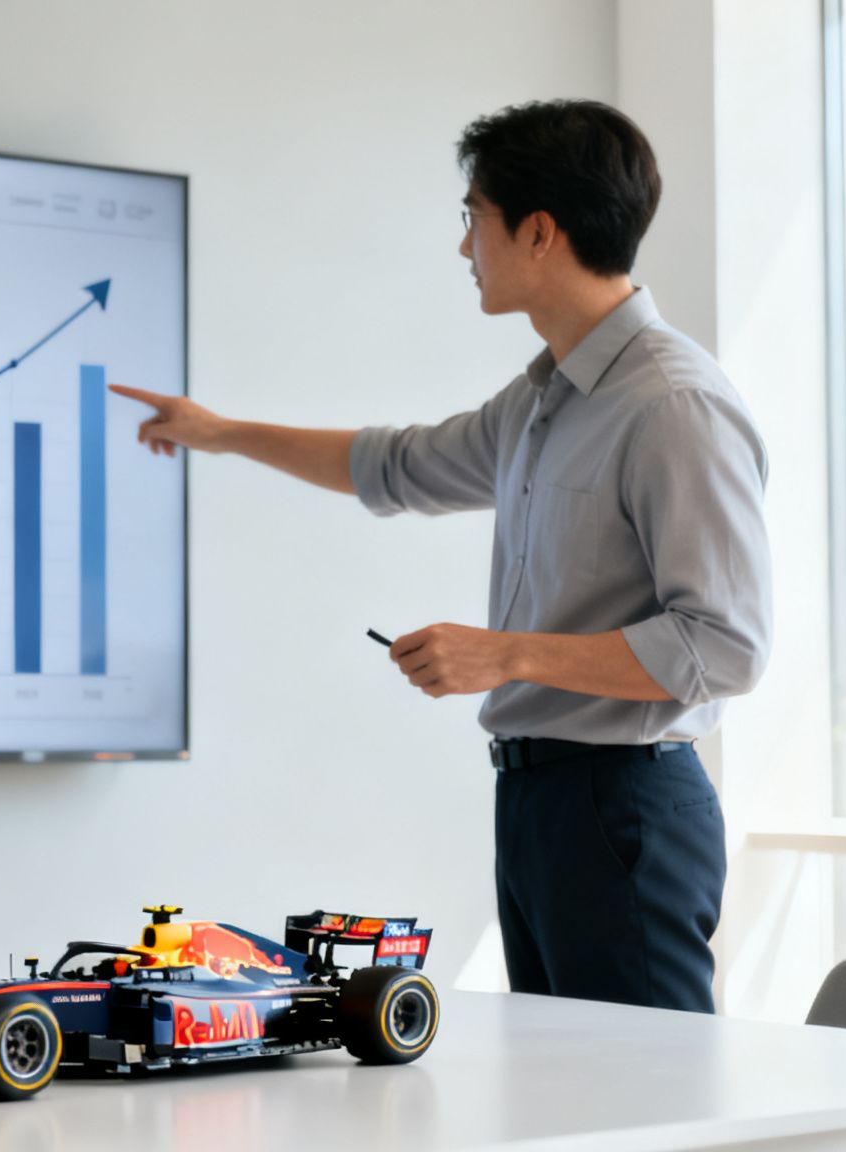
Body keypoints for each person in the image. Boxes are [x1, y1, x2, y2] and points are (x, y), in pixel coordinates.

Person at [112, 100, 771, 1013]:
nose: (465, 247)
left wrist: (506, 653)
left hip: (624, 808)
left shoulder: (673, 405)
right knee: (568, 1105)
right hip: (538, 803)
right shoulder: (544, 400)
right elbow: (398, 465)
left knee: (645, 1105)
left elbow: (725, 646)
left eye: (475, 218)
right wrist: (218, 433)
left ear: (539, 233)